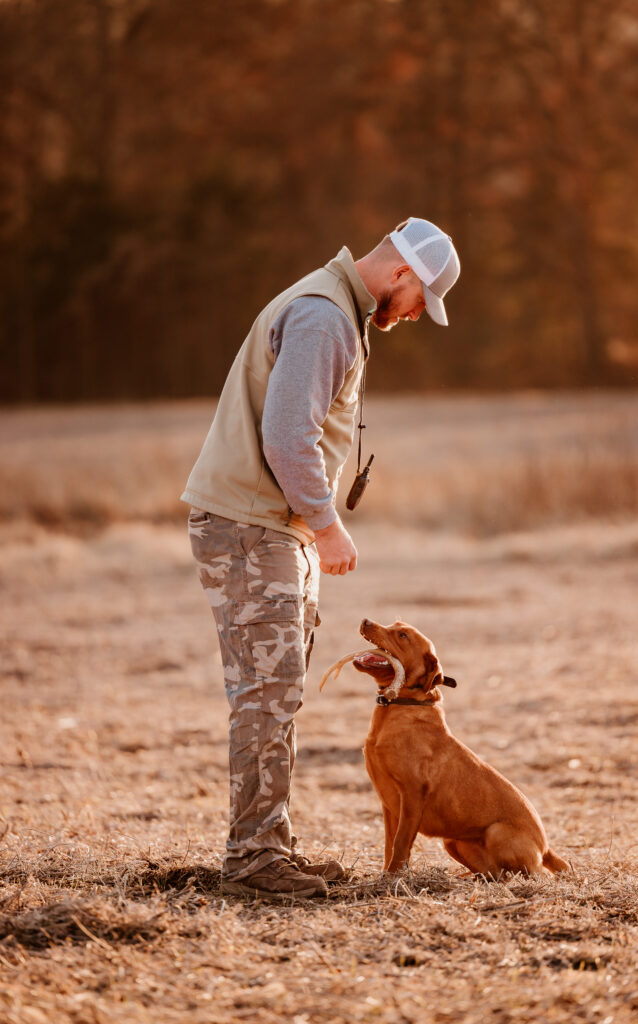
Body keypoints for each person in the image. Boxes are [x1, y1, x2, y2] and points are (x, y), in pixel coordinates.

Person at [181, 217, 460, 900]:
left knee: (275, 696)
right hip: (254, 528)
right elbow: (286, 435)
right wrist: (327, 525)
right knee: (264, 698)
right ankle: (252, 863)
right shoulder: (324, 319)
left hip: (273, 529)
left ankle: (269, 847)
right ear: (402, 275)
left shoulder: (332, 309)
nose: (418, 314)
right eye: (422, 300)